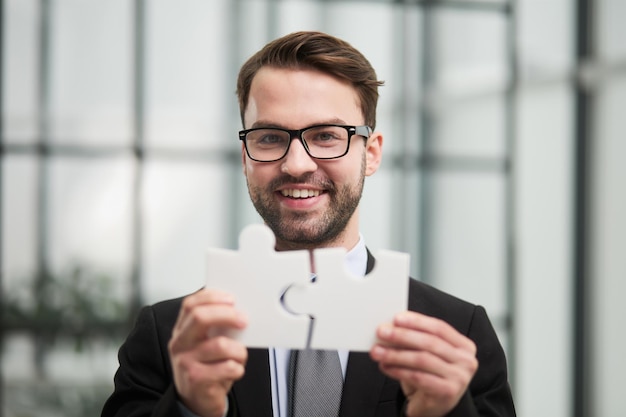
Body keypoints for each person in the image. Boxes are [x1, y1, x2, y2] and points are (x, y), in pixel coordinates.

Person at [101, 31, 515, 417]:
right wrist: (191, 407)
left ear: (370, 153)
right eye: (269, 137)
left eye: (326, 136)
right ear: (245, 156)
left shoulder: (459, 336)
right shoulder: (169, 339)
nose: (296, 164)